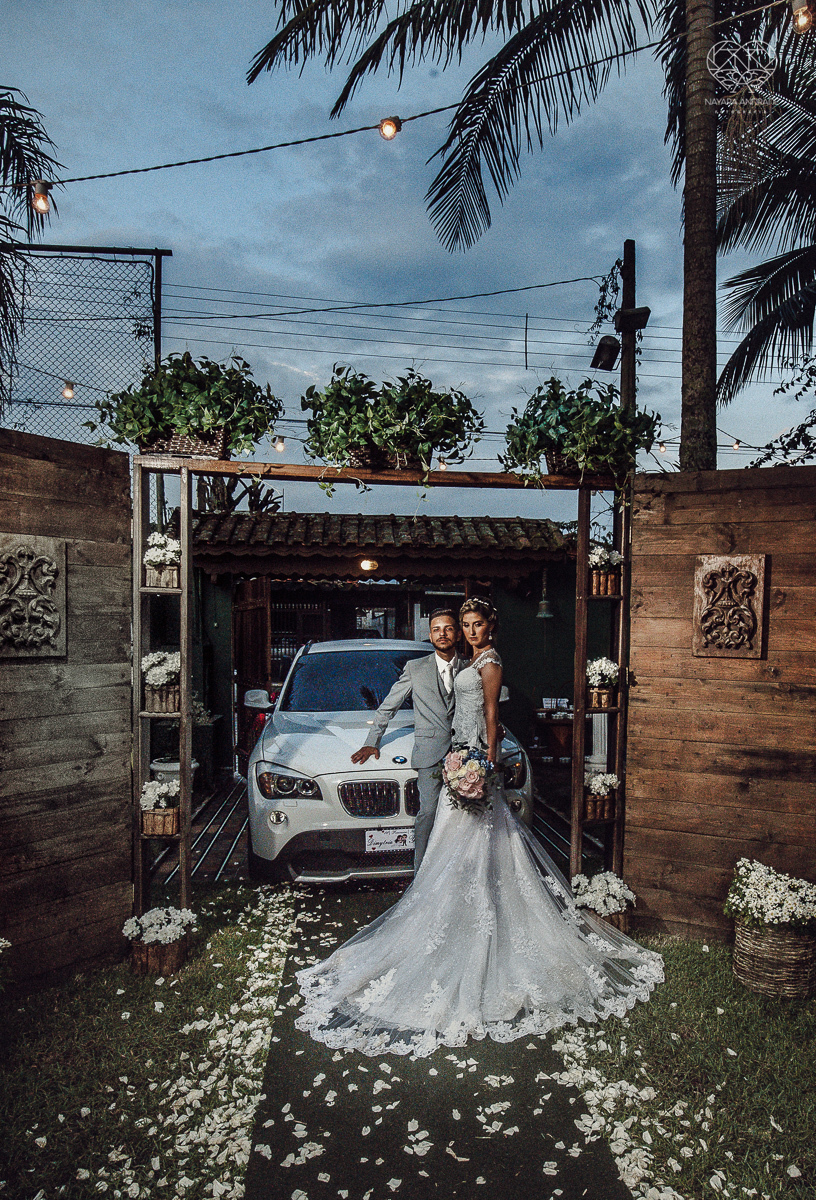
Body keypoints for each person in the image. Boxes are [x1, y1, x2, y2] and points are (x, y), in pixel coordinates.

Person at [297, 597, 664, 1058]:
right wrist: (376, 745)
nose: (464, 632)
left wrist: (486, 764)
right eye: (459, 625)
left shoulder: (487, 663)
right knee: (449, 839)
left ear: (488, 626)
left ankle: (462, 915)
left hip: (471, 761)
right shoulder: (443, 664)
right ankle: (431, 900)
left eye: (471, 625)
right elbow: (395, 707)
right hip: (447, 758)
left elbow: (493, 715)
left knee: (475, 842)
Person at [351, 607, 462, 870]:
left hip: (464, 751)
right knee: (427, 813)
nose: (442, 634)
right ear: (430, 634)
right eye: (436, 629)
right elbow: (388, 706)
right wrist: (372, 741)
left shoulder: (469, 667)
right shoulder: (415, 668)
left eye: (447, 628)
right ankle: (421, 871)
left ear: (457, 634)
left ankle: (456, 868)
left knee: (465, 815)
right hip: (429, 751)